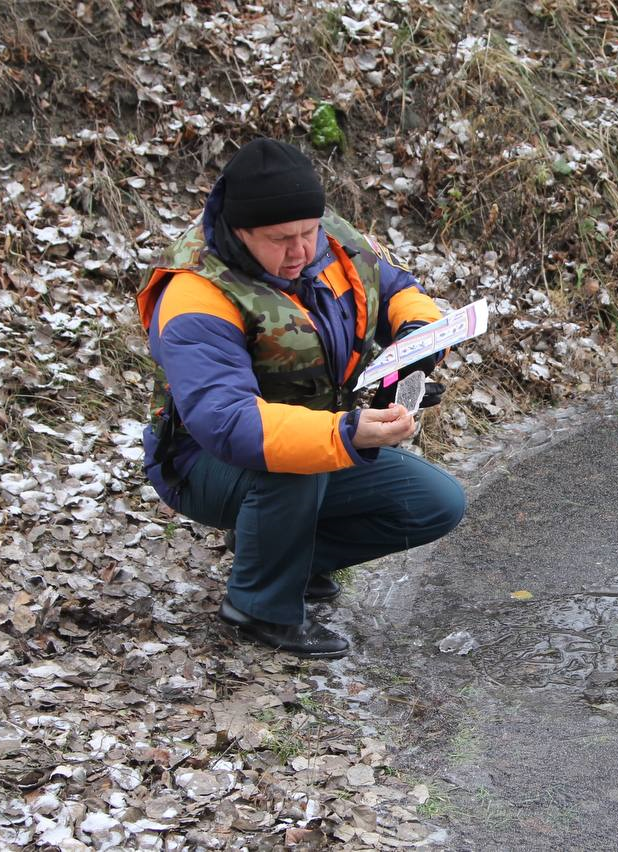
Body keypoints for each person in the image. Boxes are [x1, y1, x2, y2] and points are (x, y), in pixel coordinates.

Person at [136, 137, 466, 658]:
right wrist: (346, 432)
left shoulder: (328, 239)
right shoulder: (195, 293)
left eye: (308, 233)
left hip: (312, 437)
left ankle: (274, 552)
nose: (299, 252)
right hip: (202, 461)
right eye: (279, 239)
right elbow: (227, 422)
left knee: (434, 504)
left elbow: (395, 284)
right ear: (239, 232)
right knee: (297, 469)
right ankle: (259, 605)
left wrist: (417, 339)